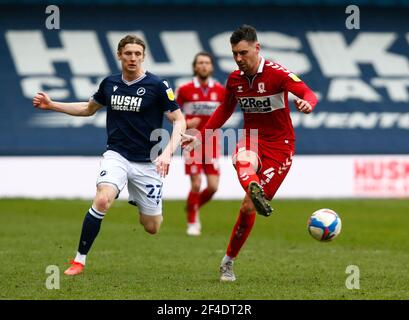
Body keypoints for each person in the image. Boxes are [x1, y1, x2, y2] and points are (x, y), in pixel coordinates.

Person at [32, 35, 186, 276]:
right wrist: (53, 105)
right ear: (119, 55)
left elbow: (179, 120)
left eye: (137, 54)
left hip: (148, 164)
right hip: (117, 155)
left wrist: (168, 152)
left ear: (143, 57)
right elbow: (87, 108)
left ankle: (138, 197)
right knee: (103, 199)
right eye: (128, 53)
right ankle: (79, 260)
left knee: (152, 227)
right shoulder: (109, 84)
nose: (133, 58)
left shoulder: (157, 86)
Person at [182, 25, 318, 282]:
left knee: (247, 207)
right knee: (243, 160)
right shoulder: (234, 79)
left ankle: (228, 260)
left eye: (243, 52)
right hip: (252, 138)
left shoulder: (278, 75)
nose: (238, 59)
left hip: (281, 145)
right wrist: (201, 134)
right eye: (234, 53)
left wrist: (306, 104)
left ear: (257, 48)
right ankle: (254, 186)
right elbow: (224, 110)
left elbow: (308, 93)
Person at [176, 52, 225, 236]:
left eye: (207, 63)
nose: (204, 66)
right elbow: (171, 113)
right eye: (200, 63)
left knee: (212, 187)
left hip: (212, 142)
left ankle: (192, 206)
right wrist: (187, 124)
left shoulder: (220, 90)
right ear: (195, 67)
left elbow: (225, 112)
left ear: (211, 67)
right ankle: (192, 221)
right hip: (191, 140)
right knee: (196, 184)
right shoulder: (185, 89)